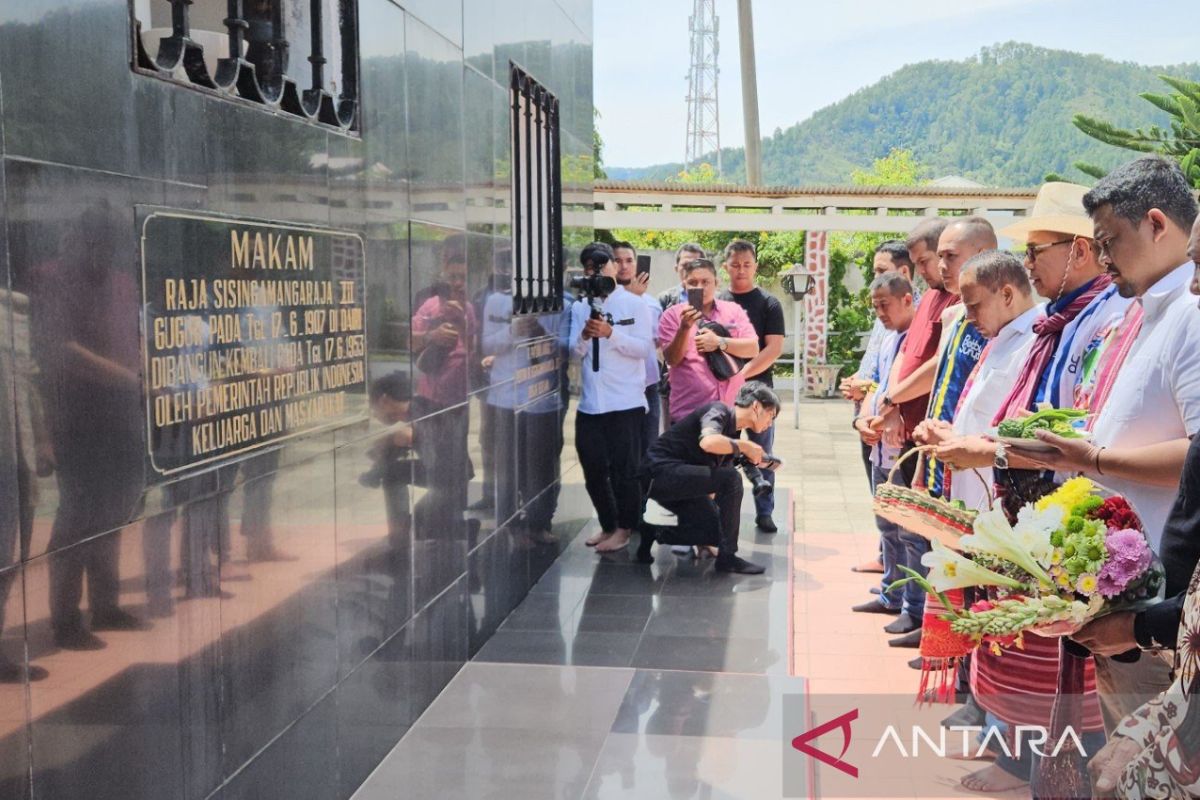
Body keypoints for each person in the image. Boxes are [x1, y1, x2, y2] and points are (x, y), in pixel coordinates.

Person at [1017, 156, 1200, 729]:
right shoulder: (1145, 311)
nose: (1101, 259)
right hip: (1134, 590)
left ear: (1155, 224)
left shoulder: (1191, 314)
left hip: (1164, 604)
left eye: (1109, 241)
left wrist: (1090, 458)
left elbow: (1198, 452)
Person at [568, 242, 655, 554]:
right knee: (592, 468)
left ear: (612, 268)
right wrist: (585, 336)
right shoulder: (579, 308)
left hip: (626, 403)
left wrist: (610, 334)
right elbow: (573, 353)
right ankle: (607, 524)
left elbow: (644, 349)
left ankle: (624, 528)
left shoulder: (635, 305)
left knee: (624, 470)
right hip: (591, 404)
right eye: (589, 266)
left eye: (600, 265)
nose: (596, 271)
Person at [642, 382, 778, 575]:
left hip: (683, 483)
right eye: (770, 415)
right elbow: (708, 442)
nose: (770, 423)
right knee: (732, 478)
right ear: (756, 407)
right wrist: (745, 447)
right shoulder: (717, 410)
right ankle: (728, 559)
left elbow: (714, 481)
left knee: (715, 533)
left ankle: (652, 533)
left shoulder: (732, 432)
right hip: (658, 474)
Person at [843, 240, 918, 572]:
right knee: (882, 505)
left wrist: (874, 392)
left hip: (893, 428)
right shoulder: (884, 323)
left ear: (904, 274)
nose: (874, 278)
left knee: (902, 517)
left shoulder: (913, 326)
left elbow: (895, 381)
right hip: (871, 420)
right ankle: (889, 574)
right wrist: (859, 386)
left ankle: (904, 588)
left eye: (881, 271)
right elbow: (874, 368)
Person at [725, 239, 786, 533]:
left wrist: (744, 374)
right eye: (735, 264)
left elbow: (772, 348)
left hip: (760, 394)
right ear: (726, 266)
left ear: (755, 266)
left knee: (761, 452)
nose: (741, 270)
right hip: (724, 394)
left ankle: (765, 511)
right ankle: (722, 511)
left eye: (747, 264)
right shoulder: (719, 302)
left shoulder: (768, 303)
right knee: (723, 453)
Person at [658, 258, 759, 424]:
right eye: (693, 282)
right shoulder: (672, 316)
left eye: (706, 282)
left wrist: (720, 342)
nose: (700, 287)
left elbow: (752, 348)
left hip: (730, 413)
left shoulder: (733, 311)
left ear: (716, 283)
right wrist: (684, 328)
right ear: (684, 285)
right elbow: (671, 359)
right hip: (689, 414)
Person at [613, 241, 663, 456]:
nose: (624, 266)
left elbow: (657, 342)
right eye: (617, 261)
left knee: (648, 449)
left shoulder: (652, 304)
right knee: (620, 452)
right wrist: (631, 299)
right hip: (617, 388)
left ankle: (643, 491)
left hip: (648, 386)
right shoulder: (603, 302)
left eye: (629, 260)